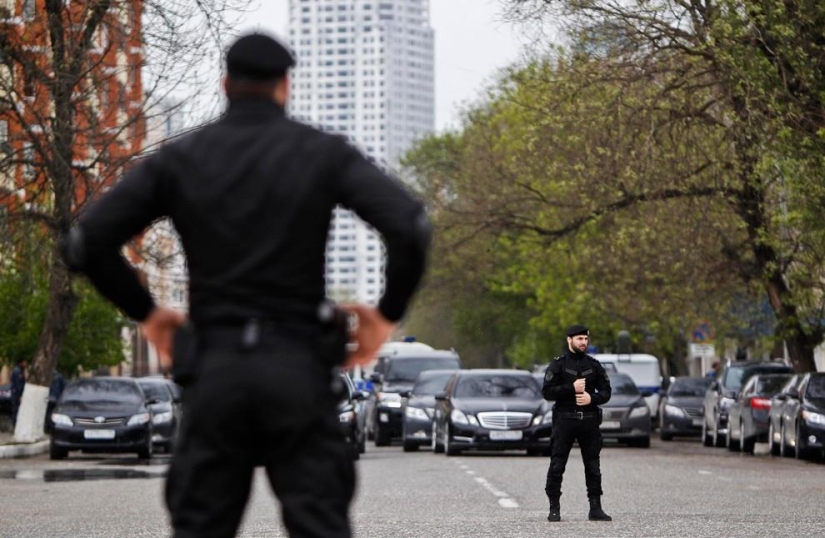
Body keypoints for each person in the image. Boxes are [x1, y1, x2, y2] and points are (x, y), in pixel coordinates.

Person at [61, 33, 430, 538]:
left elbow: (86, 243)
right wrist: (385, 315)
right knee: (320, 524)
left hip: (216, 371)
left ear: (225, 85)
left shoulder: (180, 160)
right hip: (298, 369)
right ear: (285, 86)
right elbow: (410, 227)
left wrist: (147, 312)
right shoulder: (321, 153)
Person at [542, 325, 612, 522]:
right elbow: (547, 392)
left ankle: (595, 508)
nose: (583, 342)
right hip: (564, 420)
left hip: (589, 421)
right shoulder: (558, 365)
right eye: (579, 339)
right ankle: (554, 508)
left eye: (585, 339)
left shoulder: (594, 365)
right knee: (557, 464)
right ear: (569, 340)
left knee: (593, 466)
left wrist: (592, 398)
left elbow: (606, 391)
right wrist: (570, 388)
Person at [10, 359, 26, 427]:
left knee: (16, 409)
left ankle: (15, 424)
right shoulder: (18, 371)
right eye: (24, 362)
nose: (25, 364)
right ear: (20, 363)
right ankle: (15, 425)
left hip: (15, 392)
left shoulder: (19, 370)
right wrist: (20, 394)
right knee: (16, 410)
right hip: (16, 393)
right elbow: (18, 384)